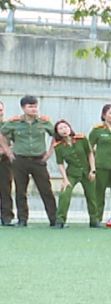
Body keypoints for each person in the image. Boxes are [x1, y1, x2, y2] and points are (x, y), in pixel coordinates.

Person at [1, 95, 59, 228]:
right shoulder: (14, 122)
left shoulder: (43, 122)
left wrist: (50, 152)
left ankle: (54, 219)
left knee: (46, 190)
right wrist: (8, 152)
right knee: (20, 191)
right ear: (23, 108)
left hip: (38, 160)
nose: (34, 109)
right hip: (20, 160)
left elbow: (56, 135)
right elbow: (2, 134)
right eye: (30, 106)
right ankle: (22, 219)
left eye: (35, 106)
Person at [51, 119, 97, 228]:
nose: (64, 130)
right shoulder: (58, 146)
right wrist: (65, 179)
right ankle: (60, 220)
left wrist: (93, 170)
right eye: (60, 128)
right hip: (72, 173)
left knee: (92, 196)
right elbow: (60, 163)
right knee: (64, 194)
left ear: (70, 128)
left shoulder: (81, 139)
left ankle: (94, 220)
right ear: (57, 132)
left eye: (65, 127)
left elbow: (90, 153)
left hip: (87, 171)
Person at [0, 99, 14, 226]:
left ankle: (7, 218)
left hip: (4, 161)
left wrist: (5, 150)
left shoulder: (9, 126)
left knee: (5, 189)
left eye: (0, 110)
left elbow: (19, 142)